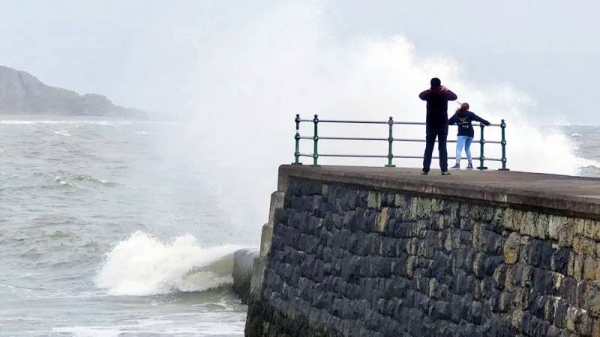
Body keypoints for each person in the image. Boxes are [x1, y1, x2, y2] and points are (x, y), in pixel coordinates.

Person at [419, 77, 458, 175]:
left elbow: (421, 95)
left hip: (431, 123)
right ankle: (444, 170)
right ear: (440, 85)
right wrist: (446, 89)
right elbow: (454, 97)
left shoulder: (428, 93)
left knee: (429, 147)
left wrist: (431, 89)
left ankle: (425, 169)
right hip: (442, 123)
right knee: (442, 147)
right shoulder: (445, 93)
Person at [448, 102, 491, 170]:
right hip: (470, 133)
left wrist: (457, 122)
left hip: (462, 133)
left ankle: (457, 164)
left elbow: (449, 122)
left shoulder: (457, 114)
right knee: (467, 149)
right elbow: (478, 118)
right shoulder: (470, 114)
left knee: (459, 149)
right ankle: (470, 164)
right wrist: (487, 123)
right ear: (468, 108)